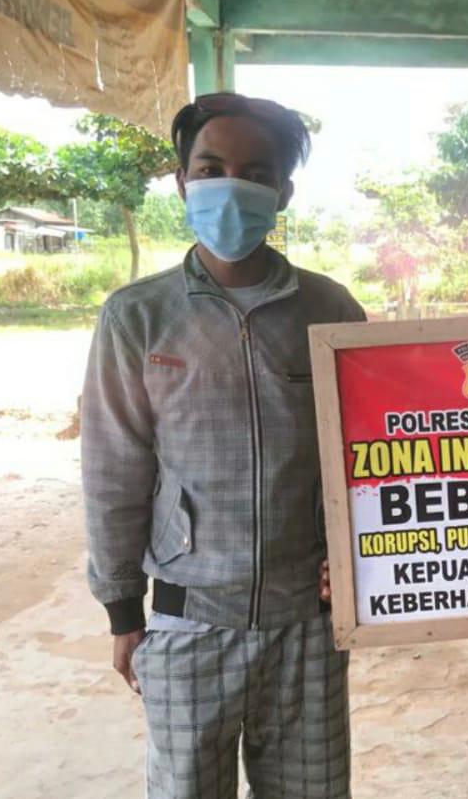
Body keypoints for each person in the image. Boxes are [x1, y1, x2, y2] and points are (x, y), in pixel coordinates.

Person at [82, 93, 364, 799]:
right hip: (187, 626)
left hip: (308, 628)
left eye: (255, 173)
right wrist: (124, 611)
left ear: (282, 193)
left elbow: (369, 458)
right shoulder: (137, 318)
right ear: (183, 183)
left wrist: (360, 561)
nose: (230, 186)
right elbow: (114, 470)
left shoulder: (331, 312)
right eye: (210, 169)